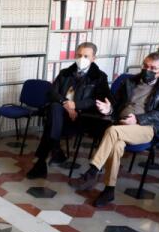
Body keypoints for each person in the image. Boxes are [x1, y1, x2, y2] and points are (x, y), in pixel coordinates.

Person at [70, 52, 159, 207]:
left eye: (153, 68)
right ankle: (109, 190)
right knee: (116, 146)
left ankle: (92, 172)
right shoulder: (129, 82)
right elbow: (115, 104)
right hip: (122, 124)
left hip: (146, 127)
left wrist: (138, 119)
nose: (147, 70)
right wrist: (108, 109)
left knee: (112, 131)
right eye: (145, 66)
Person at [27, 42, 112, 179]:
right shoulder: (65, 73)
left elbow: (99, 100)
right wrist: (66, 104)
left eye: (86, 56)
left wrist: (76, 106)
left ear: (93, 58)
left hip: (82, 118)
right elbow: (52, 93)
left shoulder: (100, 77)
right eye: (79, 55)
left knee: (50, 124)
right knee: (55, 108)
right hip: (61, 115)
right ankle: (49, 155)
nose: (81, 58)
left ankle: (47, 158)